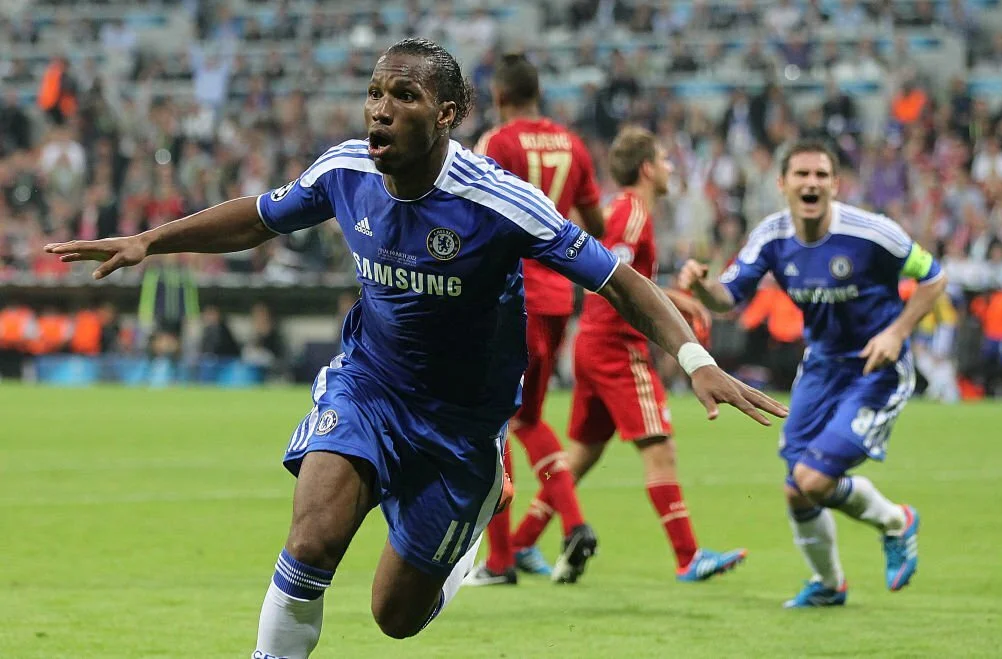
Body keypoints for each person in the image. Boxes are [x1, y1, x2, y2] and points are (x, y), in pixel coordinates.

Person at [45, 39, 785, 655]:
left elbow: (619, 280)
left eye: (403, 94)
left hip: (461, 427)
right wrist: (150, 240)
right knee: (309, 543)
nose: (380, 107)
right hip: (368, 387)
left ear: (447, 113)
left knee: (393, 617)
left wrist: (699, 360)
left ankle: (478, 515)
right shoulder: (345, 171)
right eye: (375, 91)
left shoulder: (500, 201)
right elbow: (259, 218)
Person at [678, 139, 947, 608]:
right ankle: (828, 585)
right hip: (821, 367)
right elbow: (727, 298)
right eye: (801, 175)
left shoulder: (872, 232)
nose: (812, 183)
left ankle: (897, 521)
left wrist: (899, 332)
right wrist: (703, 287)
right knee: (796, 490)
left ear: (835, 185)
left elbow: (935, 277)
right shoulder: (771, 236)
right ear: (782, 184)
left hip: (875, 368)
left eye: (821, 175)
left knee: (814, 479)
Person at [512, 126, 748, 582]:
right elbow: (614, 281)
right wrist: (674, 302)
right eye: (664, 159)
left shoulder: (619, 211)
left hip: (593, 343)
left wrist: (672, 297)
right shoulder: (632, 213)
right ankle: (688, 555)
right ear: (646, 168)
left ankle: (522, 541)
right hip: (616, 345)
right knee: (660, 446)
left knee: (581, 454)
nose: (670, 167)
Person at [467, 53, 606, 586]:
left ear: (500, 97)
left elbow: (472, 215)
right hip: (557, 299)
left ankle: (501, 561)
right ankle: (568, 525)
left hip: (509, 297)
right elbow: (594, 223)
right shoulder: (573, 145)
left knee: (492, 423)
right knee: (528, 420)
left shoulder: (497, 143)